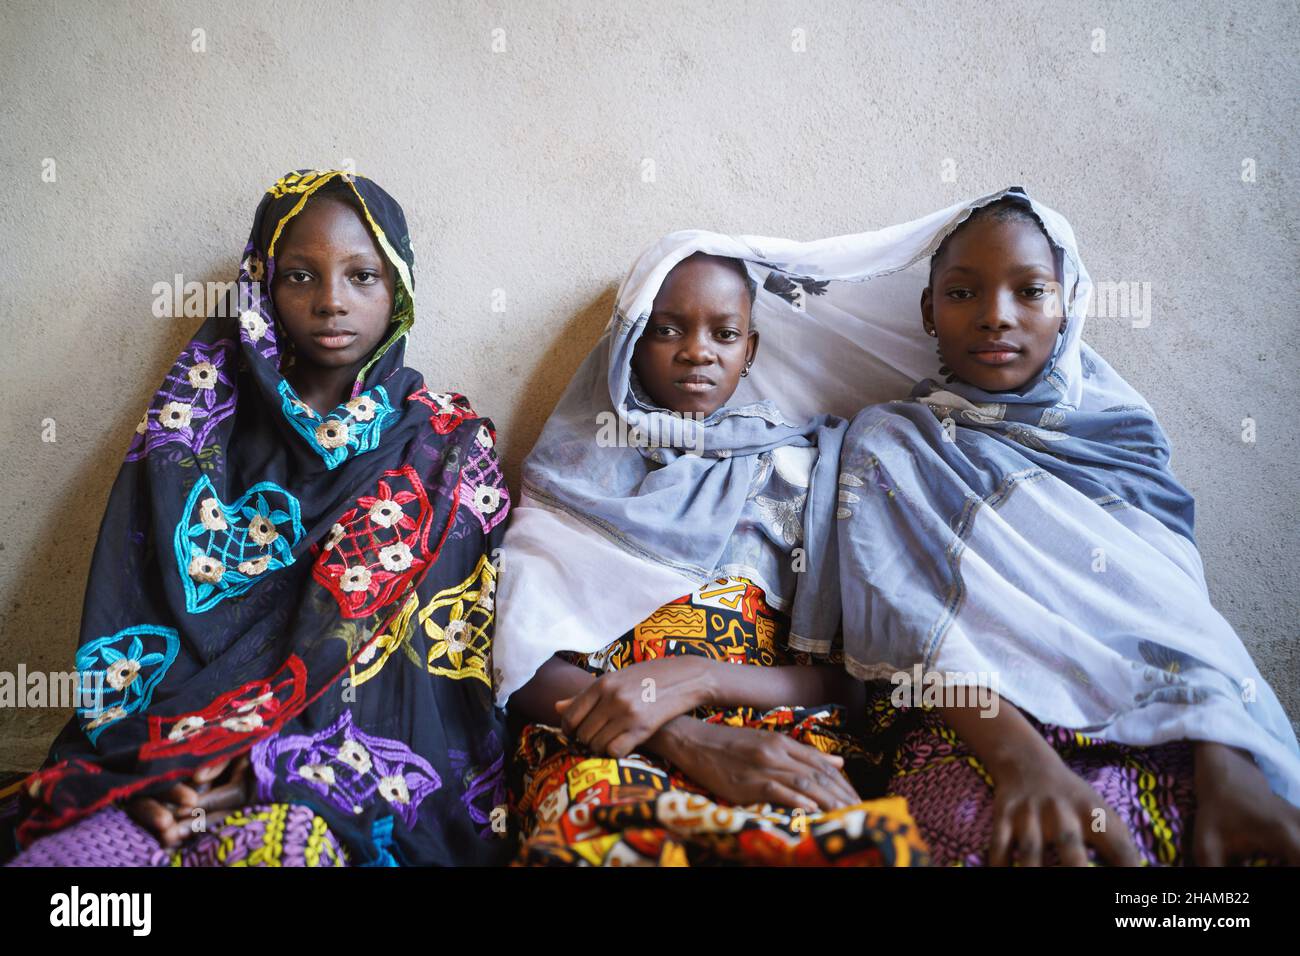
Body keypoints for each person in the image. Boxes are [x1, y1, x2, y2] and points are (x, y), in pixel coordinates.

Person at [7, 170, 512, 867]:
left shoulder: (447, 453)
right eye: (301, 277)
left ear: (399, 289)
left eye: (363, 276)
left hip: (343, 787)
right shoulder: (193, 431)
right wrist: (155, 770)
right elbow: (133, 627)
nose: (332, 301)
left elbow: (433, 676)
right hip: (170, 760)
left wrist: (275, 770)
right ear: (261, 287)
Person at [834, 189, 1300, 865]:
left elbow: (1176, 621)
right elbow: (904, 621)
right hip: (980, 729)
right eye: (964, 294)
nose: (997, 317)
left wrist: (1226, 763)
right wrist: (1026, 765)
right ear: (929, 311)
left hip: (1171, 721)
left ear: (1068, 304)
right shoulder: (895, 443)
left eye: (1030, 291)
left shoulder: (1122, 440)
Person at [494, 240, 929, 866]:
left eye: (725, 333)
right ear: (631, 341)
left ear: (749, 351)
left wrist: (697, 680)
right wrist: (675, 731)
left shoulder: (804, 472)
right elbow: (519, 660)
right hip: (606, 739)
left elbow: (851, 675)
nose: (698, 350)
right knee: (602, 842)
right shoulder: (573, 470)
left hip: (776, 728)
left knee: (848, 846)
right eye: (668, 329)